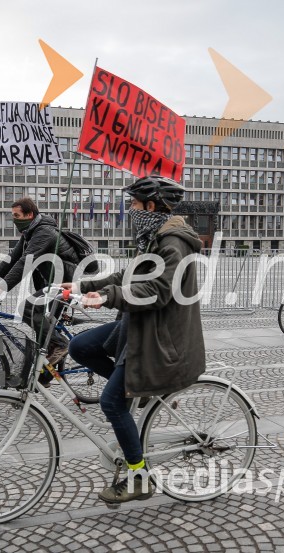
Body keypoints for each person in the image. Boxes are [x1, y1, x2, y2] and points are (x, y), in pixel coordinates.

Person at [64, 175, 205, 504]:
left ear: (151, 206)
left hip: (161, 337)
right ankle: (133, 388)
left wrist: (107, 297)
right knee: (79, 347)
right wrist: (82, 287)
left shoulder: (173, 244)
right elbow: (127, 276)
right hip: (139, 325)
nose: (130, 209)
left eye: (134, 204)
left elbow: (157, 292)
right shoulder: (154, 238)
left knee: (112, 402)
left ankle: (139, 477)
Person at [0, 198, 81, 367]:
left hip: (65, 284)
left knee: (28, 309)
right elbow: (12, 258)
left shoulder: (44, 232)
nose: (14, 219)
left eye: (16, 215)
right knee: (44, 334)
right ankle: (46, 376)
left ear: (29, 215)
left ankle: (62, 345)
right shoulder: (30, 232)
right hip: (52, 283)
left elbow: (25, 261)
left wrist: (1, 287)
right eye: (12, 215)